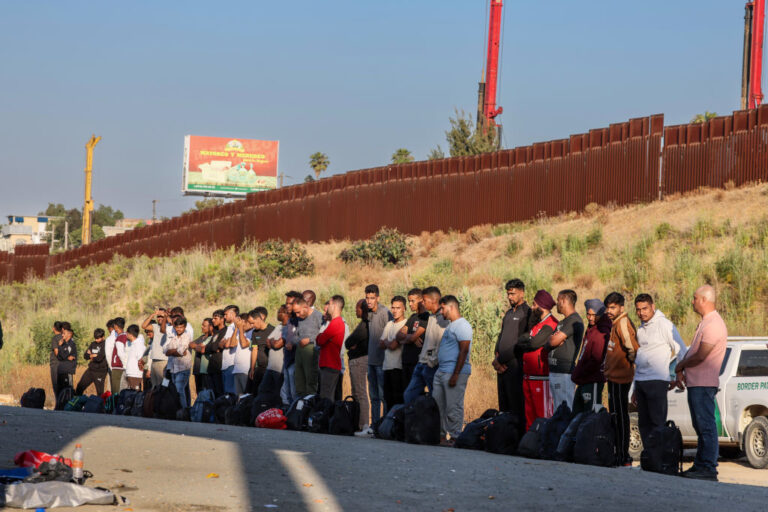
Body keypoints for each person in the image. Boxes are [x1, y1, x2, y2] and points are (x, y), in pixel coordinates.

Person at [674, 285, 728, 481]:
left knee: (705, 425)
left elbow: (701, 355)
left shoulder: (714, 324)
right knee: (700, 425)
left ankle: (708, 466)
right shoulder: (706, 322)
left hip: (703, 383)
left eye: (695, 298)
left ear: (704, 300)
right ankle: (701, 464)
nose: (692, 301)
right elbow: (695, 354)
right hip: (697, 382)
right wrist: (682, 370)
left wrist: (680, 365)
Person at [633, 293, 684, 452]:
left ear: (653, 307)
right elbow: (639, 357)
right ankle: (649, 459)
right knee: (643, 424)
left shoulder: (664, 324)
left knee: (657, 423)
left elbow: (681, 349)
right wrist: (634, 388)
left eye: (645, 308)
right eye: (638, 310)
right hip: (641, 381)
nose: (642, 312)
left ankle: (660, 459)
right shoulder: (641, 328)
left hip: (657, 381)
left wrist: (679, 374)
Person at [603, 291, 640, 466]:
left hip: (620, 378)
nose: (609, 311)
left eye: (612, 307)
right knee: (616, 415)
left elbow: (632, 348)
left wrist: (628, 367)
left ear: (621, 308)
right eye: (607, 308)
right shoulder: (615, 323)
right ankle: (618, 453)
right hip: (613, 377)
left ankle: (623, 456)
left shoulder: (623, 322)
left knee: (621, 417)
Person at [433, 295, 473, 445]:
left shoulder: (463, 325)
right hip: (442, 371)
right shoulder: (451, 325)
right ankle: (441, 437)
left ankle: (456, 437)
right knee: (439, 406)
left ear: (451, 307)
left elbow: (464, 350)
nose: (441, 312)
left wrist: (456, 374)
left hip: (454, 372)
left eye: (443, 308)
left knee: (453, 406)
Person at [517, 290, 558, 429]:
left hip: (541, 378)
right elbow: (521, 340)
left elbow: (535, 343)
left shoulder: (551, 323)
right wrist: (529, 341)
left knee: (543, 415)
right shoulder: (537, 324)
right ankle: (530, 443)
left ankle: (542, 445)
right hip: (529, 376)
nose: (532, 307)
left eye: (534, 304)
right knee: (530, 414)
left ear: (543, 306)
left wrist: (529, 341)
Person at [492, 279, 531, 424]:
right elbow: (501, 336)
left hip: (514, 366)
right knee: (503, 405)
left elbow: (522, 343)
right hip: (500, 367)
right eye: (508, 294)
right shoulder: (508, 313)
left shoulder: (527, 313)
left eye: (513, 294)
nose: (510, 297)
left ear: (522, 293)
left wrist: (501, 360)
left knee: (516, 405)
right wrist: (496, 358)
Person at [403, 286, 449, 404]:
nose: (422, 303)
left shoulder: (443, 319)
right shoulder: (431, 317)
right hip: (421, 364)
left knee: (436, 400)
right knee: (409, 396)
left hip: (431, 366)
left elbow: (441, 345)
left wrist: (431, 362)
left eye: (424, 300)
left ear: (433, 300)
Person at [544, 290, 583, 410]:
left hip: (564, 373)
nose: (556, 303)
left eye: (558, 300)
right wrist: (552, 340)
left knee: (565, 410)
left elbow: (553, 341)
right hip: (555, 372)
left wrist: (553, 340)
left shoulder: (574, 320)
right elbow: (549, 342)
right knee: (557, 410)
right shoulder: (563, 322)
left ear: (564, 301)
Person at [571, 299, 610, 415]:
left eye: (594, 315)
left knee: (591, 415)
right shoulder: (591, 328)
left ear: (601, 314)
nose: (591, 318)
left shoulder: (602, 331)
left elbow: (596, 360)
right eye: (588, 314)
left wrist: (580, 373)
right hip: (584, 379)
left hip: (593, 380)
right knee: (577, 413)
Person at [365, 284, 393, 424]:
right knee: (373, 396)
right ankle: (374, 425)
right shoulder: (369, 312)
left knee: (383, 396)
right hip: (371, 361)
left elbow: (391, 332)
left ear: (378, 298)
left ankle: (385, 424)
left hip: (382, 362)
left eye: (372, 298)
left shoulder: (385, 312)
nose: (369, 301)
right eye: (367, 298)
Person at [346, 299, 370, 432]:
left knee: (360, 392)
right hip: (356, 359)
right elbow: (349, 343)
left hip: (360, 360)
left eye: (357, 308)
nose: (356, 310)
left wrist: (352, 345)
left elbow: (350, 342)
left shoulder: (365, 325)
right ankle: (357, 423)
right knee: (356, 392)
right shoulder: (363, 324)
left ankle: (364, 424)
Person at [381, 296, 408, 411]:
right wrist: (389, 342)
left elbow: (392, 345)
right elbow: (381, 343)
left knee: (398, 399)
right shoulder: (389, 324)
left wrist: (388, 342)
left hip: (398, 368)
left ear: (404, 309)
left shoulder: (406, 324)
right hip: (387, 367)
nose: (395, 310)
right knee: (387, 399)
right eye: (393, 307)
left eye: (398, 308)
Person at [316, 295, 346, 400]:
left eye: (329, 303)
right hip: (328, 364)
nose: (327, 307)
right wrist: (321, 337)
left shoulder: (336, 322)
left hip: (330, 365)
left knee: (326, 397)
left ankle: (327, 415)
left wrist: (321, 336)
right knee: (326, 395)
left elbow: (320, 340)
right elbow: (321, 339)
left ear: (333, 304)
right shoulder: (334, 322)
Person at [397, 289, 428, 386]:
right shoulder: (413, 317)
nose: (409, 304)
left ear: (421, 301)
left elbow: (410, 338)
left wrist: (407, 339)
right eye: (409, 301)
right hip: (406, 361)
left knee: (415, 394)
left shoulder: (426, 317)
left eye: (412, 301)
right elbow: (398, 335)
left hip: (417, 363)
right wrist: (410, 337)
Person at [293, 297, 323, 396]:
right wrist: (295, 341)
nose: (297, 315)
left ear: (305, 307)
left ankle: (310, 402)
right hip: (299, 351)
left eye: (298, 312)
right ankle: (300, 403)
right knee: (299, 379)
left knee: (311, 380)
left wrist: (310, 340)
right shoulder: (300, 318)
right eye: (295, 313)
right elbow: (296, 334)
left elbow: (323, 334)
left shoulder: (318, 316)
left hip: (312, 350)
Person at [164, 316, 193, 408]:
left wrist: (173, 351)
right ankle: (177, 410)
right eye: (177, 327)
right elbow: (166, 351)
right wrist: (175, 351)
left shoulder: (186, 337)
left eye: (181, 327)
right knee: (174, 391)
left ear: (184, 327)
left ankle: (184, 410)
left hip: (183, 369)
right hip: (173, 369)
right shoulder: (174, 338)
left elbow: (181, 351)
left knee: (179, 390)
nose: (179, 329)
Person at [259, 305, 288, 397]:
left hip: (280, 369)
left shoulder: (289, 327)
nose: (277, 314)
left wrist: (273, 341)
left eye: (280, 312)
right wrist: (273, 342)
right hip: (270, 367)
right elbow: (267, 341)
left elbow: (276, 344)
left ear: (286, 314)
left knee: (278, 393)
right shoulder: (278, 326)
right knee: (262, 390)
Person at [281, 291, 302, 405]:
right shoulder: (290, 320)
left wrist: (293, 343)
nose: (287, 306)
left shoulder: (301, 320)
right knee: (286, 395)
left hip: (297, 361)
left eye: (290, 303)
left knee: (295, 395)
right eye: (286, 303)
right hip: (288, 360)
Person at [247, 307, 274, 393]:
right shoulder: (255, 332)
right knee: (254, 391)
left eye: (252, 323)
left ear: (259, 319)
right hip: (260, 367)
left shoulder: (272, 330)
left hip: (270, 368)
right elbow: (255, 349)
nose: (251, 326)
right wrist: (252, 368)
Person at [75, 328, 108, 395]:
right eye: (95, 338)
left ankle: (100, 405)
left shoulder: (105, 345)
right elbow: (85, 356)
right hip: (91, 370)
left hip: (100, 372)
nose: (96, 340)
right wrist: (92, 356)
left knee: (100, 392)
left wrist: (91, 355)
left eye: (98, 338)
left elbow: (99, 358)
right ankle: (77, 403)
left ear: (103, 337)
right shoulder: (93, 344)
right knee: (80, 387)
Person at [141, 309, 169, 389]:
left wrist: (166, 315)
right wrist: (153, 314)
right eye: (158, 316)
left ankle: (165, 399)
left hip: (164, 360)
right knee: (154, 385)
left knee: (164, 384)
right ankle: (157, 400)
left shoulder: (169, 327)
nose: (159, 318)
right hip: (154, 361)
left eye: (161, 316)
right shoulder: (155, 326)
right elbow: (144, 326)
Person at [230, 312, 253, 396]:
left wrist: (240, 328)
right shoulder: (239, 332)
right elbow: (232, 344)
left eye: (242, 323)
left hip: (246, 370)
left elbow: (244, 344)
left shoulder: (252, 333)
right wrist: (236, 328)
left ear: (245, 322)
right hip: (237, 370)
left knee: (246, 396)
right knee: (238, 397)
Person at [205, 309, 227, 397]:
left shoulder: (226, 331)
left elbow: (215, 347)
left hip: (219, 366)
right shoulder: (215, 332)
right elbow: (208, 347)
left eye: (215, 318)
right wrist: (214, 347)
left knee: (220, 392)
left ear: (222, 319)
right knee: (212, 393)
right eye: (212, 318)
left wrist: (214, 347)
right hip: (211, 366)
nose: (213, 320)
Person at [219, 305, 240, 395]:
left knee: (231, 393)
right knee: (226, 392)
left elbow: (230, 344)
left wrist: (226, 342)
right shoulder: (229, 328)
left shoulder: (236, 326)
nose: (224, 317)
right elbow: (220, 344)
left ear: (232, 314)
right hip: (225, 364)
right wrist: (225, 342)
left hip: (232, 364)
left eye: (226, 314)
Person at [189, 318, 214, 392]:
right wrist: (198, 347)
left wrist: (197, 347)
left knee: (205, 391)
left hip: (205, 370)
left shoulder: (211, 338)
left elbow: (201, 348)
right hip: (197, 369)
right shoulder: (201, 337)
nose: (202, 327)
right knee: (199, 391)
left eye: (204, 326)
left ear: (210, 327)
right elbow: (191, 344)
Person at [56, 322, 77, 392]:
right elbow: (59, 357)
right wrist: (60, 346)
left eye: (64, 333)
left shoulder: (71, 344)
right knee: (60, 390)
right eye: (62, 333)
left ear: (69, 334)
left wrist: (60, 348)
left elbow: (64, 355)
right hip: (61, 370)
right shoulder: (63, 343)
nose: (62, 335)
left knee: (68, 390)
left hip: (67, 370)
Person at [124, 324, 146, 391]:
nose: (126, 334)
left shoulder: (139, 345)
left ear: (130, 334)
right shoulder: (133, 344)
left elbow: (141, 360)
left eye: (127, 333)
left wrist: (140, 372)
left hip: (136, 375)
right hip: (131, 374)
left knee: (135, 394)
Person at [110, 317, 128, 394]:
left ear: (116, 326)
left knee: (116, 391)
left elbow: (120, 354)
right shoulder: (127, 336)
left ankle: (115, 406)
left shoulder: (120, 338)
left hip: (118, 367)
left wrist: (125, 366)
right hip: (122, 366)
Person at [50, 321, 63, 398]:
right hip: (64, 365)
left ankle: (58, 403)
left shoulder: (55, 338)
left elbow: (56, 352)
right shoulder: (64, 337)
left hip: (55, 364)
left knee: (56, 385)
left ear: (54, 328)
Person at [104, 319, 116, 391]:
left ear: (110, 328)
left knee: (111, 387)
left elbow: (108, 355)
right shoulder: (124, 336)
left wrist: (110, 367)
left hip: (112, 366)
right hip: (122, 367)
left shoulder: (109, 339)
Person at [142, 325, 154, 390]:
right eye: (146, 331)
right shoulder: (150, 341)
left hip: (152, 370)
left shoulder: (156, 341)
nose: (148, 333)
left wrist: (149, 370)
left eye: (150, 331)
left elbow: (151, 356)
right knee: (147, 389)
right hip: (147, 368)